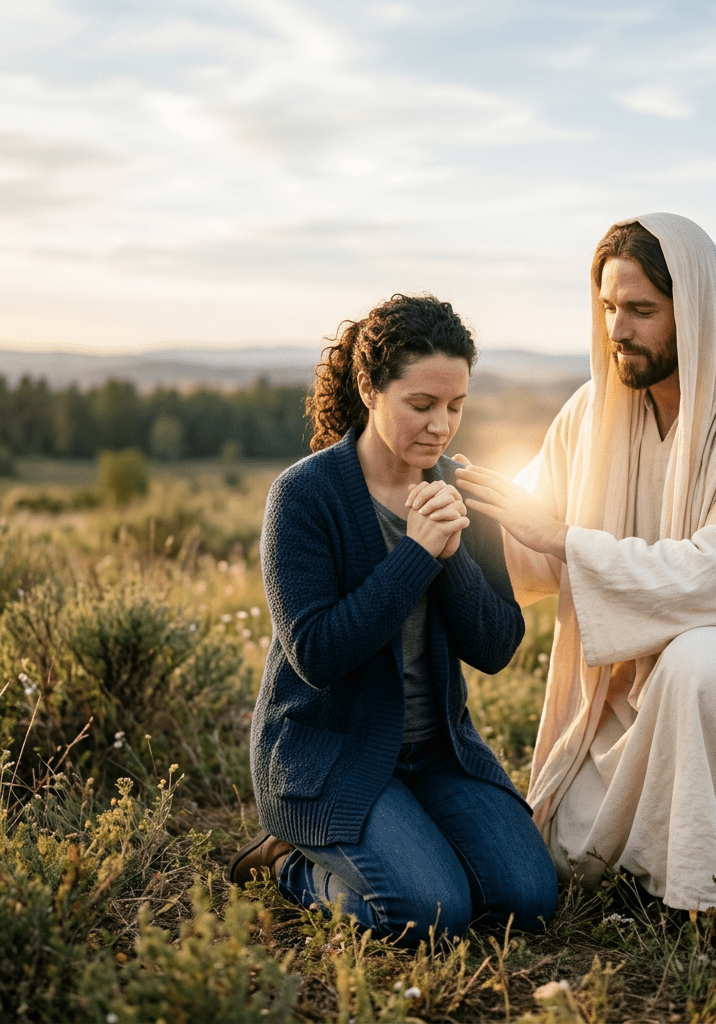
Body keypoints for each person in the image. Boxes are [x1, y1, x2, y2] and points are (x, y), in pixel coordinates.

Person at [453, 214, 716, 937]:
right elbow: (526, 548)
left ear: (696, 310)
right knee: (567, 857)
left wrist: (567, 541)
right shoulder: (592, 414)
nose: (618, 328)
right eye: (609, 307)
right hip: (625, 680)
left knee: (698, 662)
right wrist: (422, 517)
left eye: (641, 310)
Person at [230, 293, 558, 947]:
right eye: (421, 405)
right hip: (330, 754)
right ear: (369, 388)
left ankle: (403, 835)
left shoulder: (460, 491)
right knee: (433, 917)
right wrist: (414, 555)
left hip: (436, 753)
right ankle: (293, 863)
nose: (441, 426)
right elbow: (317, 654)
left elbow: (496, 647)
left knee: (528, 900)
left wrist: (452, 553)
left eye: (456, 406)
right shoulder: (304, 496)